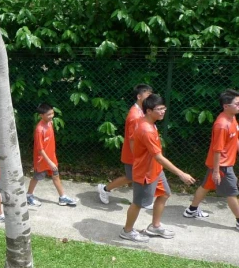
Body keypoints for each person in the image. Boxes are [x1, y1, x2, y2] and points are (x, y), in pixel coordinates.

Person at [121, 94, 196, 242]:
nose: (163, 111)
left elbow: (132, 140)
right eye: (159, 109)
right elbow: (158, 156)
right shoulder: (146, 129)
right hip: (145, 173)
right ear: (149, 111)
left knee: (164, 194)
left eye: (163, 108)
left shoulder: (149, 122)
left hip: (156, 169)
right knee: (138, 203)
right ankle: (127, 231)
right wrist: (181, 174)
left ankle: (155, 226)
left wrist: (138, 155)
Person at [183, 89, 239, 229]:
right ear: (226, 106)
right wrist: (216, 171)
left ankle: (191, 210)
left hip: (223, 164)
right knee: (232, 193)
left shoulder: (232, 118)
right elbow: (217, 150)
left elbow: (234, 139)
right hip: (222, 165)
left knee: (206, 186)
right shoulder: (222, 124)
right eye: (237, 104)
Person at [98, 84, 153, 205]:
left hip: (139, 153)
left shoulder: (142, 112)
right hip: (134, 154)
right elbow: (133, 139)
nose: (151, 97)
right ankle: (105, 189)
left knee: (138, 176)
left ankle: (145, 199)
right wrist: (138, 157)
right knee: (131, 177)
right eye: (148, 94)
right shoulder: (135, 116)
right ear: (139, 96)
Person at [26, 103, 77, 207]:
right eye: (48, 115)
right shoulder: (39, 130)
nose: (51, 116)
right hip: (42, 160)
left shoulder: (50, 123)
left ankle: (62, 197)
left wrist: (51, 160)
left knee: (56, 176)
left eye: (52, 113)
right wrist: (49, 162)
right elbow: (40, 149)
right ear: (41, 115)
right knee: (36, 177)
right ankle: (29, 195)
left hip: (51, 158)